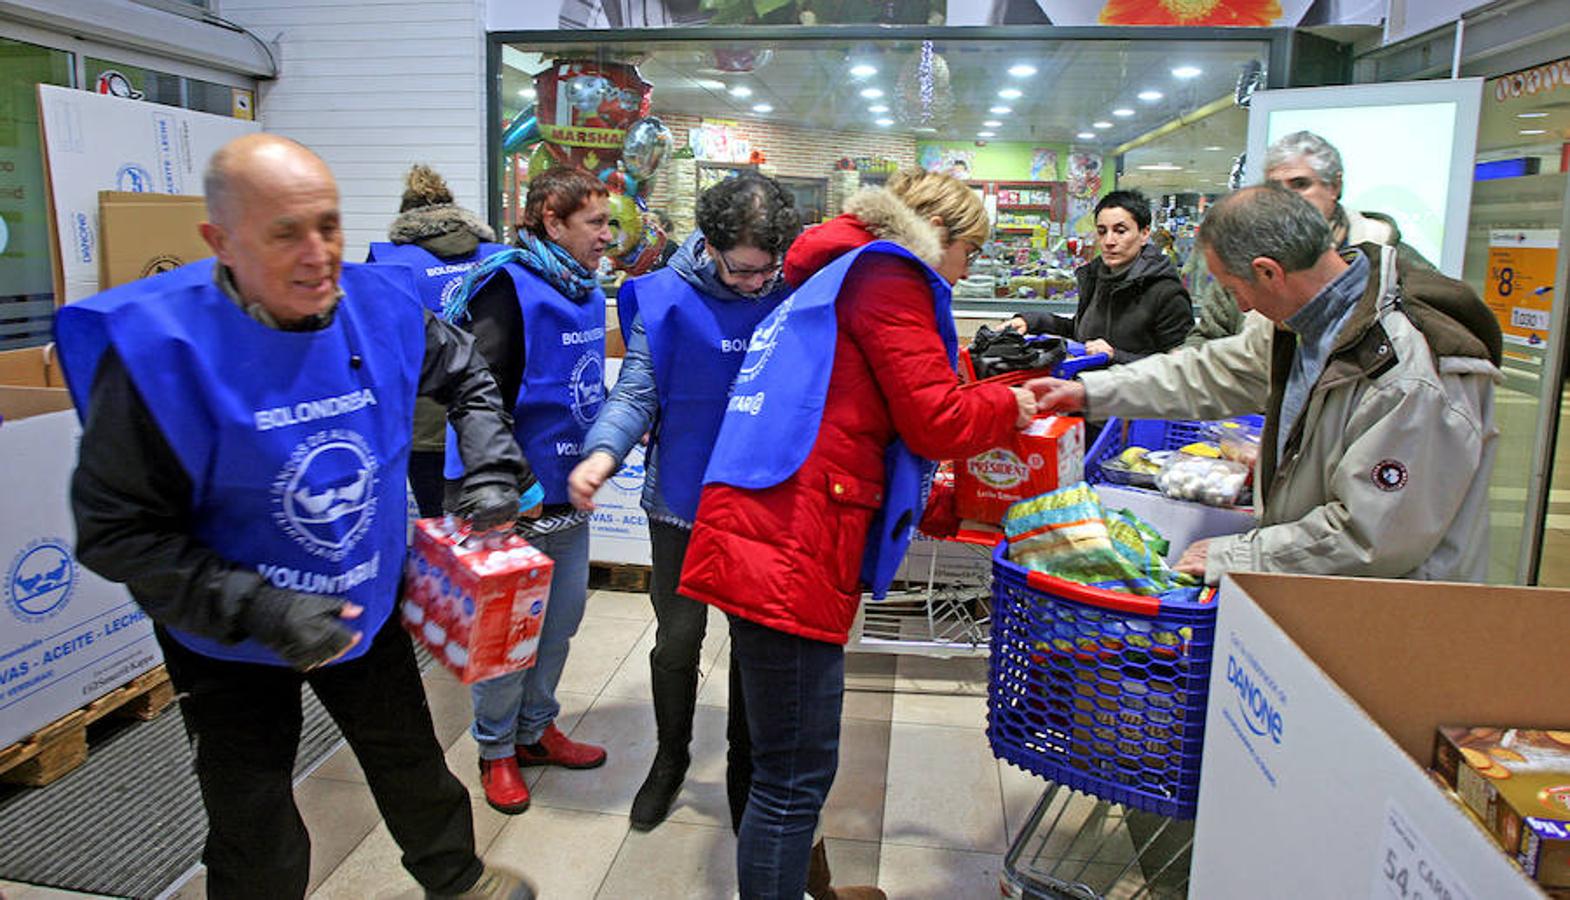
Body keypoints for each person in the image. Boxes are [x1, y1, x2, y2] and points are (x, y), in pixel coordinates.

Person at [58, 134, 536, 900]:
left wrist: (486, 464)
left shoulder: (379, 304)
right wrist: (260, 606)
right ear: (221, 241)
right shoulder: (159, 352)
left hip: (362, 593)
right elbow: (116, 531)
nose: (318, 254)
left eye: (329, 225)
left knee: (409, 756)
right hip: (229, 629)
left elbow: (468, 376)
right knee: (252, 813)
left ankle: (456, 880)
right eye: (286, 233)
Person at [679, 169, 1040, 900]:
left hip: (765, 522)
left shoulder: (837, 264)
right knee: (793, 775)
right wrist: (1016, 401)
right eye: (970, 252)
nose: (969, 270)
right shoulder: (891, 275)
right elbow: (935, 419)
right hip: (794, 538)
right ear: (942, 233)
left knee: (781, 756)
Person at [1029, 185, 1500, 585]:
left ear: (1269, 271)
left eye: (1235, 291)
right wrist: (1090, 393)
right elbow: (1209, 373)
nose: (1245, 308)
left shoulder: (1408, 376)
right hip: (1314, 589)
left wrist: (1237, 556)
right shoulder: (1312, 323)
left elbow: (1373, 536)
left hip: (1387, 620)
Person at [566, 172, 801, 837]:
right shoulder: (666, 298)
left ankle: (744, 769)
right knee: (677, 640)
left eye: (768, 269)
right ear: (711, 244)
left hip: (762, 503)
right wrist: (603, 452)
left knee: (755, 645)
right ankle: (670, 758)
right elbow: (636, 390)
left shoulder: (792, 291)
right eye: (743, 270)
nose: (757, 283)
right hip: (680, 503)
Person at [442, 166, 612, 816]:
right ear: (551, 220)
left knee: (560, 626)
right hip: (513, 501)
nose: (607, 236)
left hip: (568, 498)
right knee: (507, 638)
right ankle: (496, 752)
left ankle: (535, 731)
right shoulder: (506, 289)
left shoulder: (586, 291)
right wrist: (520, 483)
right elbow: (477, 400)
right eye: (594, 222)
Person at [1184, 129, 1433, 347]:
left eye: (1300, 184)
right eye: (1275, 188)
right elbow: (1208, 338)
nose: (1286, 198)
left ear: (1334, 187)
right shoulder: (1245, 258)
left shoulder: (1395, 263)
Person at [367, 164, 509, 516]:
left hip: (424, 421)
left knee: (439, 524)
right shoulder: (495, 257)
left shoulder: (387, 263)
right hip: (491, 411)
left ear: (406, 214)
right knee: (491, 525)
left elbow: (374, 344)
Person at [1002, 190, 1192, 362]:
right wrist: (1031, 321)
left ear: (1144, 234)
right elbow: (1080, 333)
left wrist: (1114, 356)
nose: (1109, 241)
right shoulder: (1096, 278)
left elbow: (1178, 369)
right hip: (1088, 391)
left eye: (1120, 231)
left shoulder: (1167, 293)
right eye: (1102, 231)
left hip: (1134, 398)